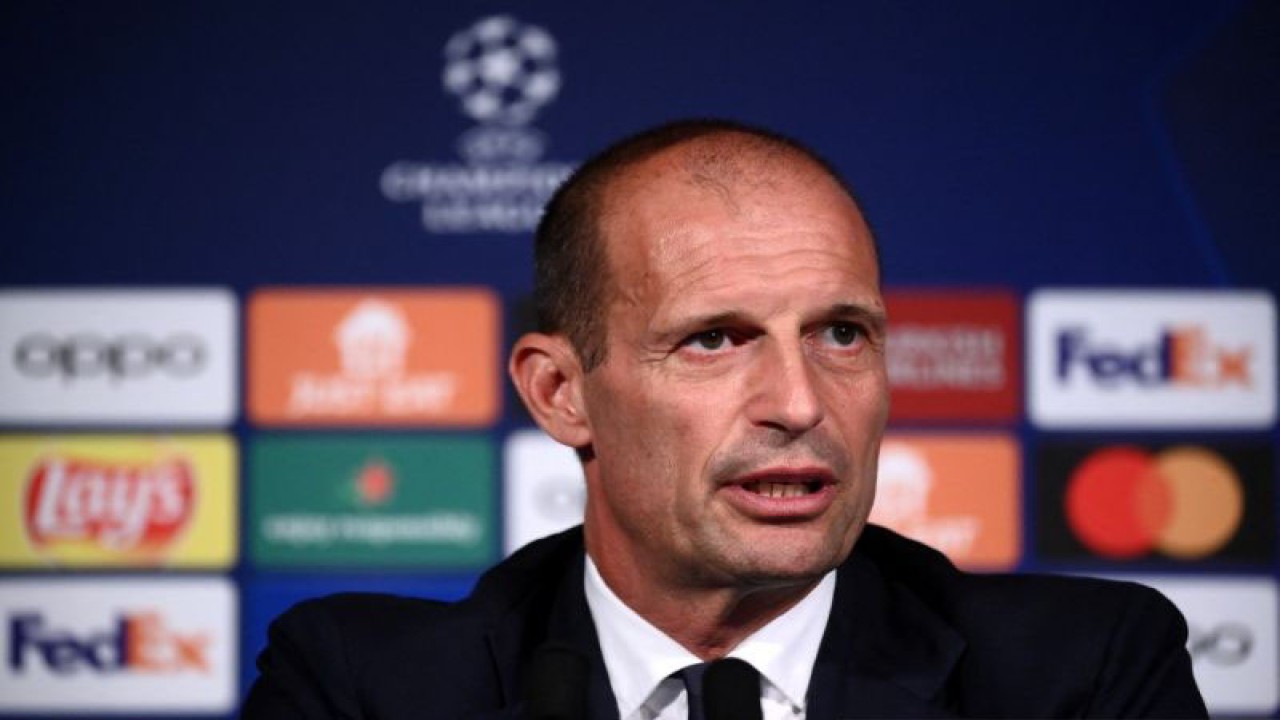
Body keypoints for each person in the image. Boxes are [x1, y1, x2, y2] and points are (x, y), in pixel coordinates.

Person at [242, 119, 1207, 719]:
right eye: (713, 339)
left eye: (840, 332)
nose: (798, 403)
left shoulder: (1081, 676)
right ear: (559, 393)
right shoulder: (364, 687)